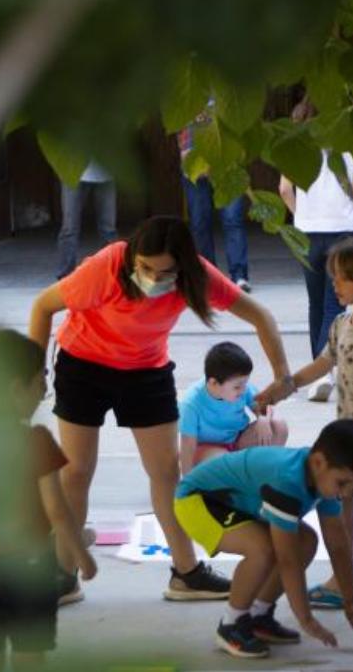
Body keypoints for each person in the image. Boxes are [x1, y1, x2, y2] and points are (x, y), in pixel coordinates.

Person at [27, 215, 293, 603]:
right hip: (83, 364)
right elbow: (42, 306)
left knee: (167, 472)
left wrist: (283, 374)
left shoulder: (196, 277)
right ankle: (62, 575)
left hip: (145, 371)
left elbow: (260, 315)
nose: (152, 277)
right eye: (145, 268)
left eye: (164, 271)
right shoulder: (108, 266)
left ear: (182, 267)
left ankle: (186, 573)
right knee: (76, 472)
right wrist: (36, 371)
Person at [260, 232, 353, 627]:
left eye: (344, 277)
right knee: (342, 507)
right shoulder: (343, 324)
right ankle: (337, 580)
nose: (336, 284)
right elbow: (323, 363)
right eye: (335, 277)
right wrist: (287, 384)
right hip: (345, 434)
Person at [0, 330, 98, 668]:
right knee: (29, 654)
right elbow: (56, 509)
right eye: (40, 380)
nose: (44, 390)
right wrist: (82, 556)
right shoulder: (36, 441)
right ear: (15, 388)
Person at [174, 419, 353, 659]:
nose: (347, 492)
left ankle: (259, 615)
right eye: (343, 483)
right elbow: (287, 559)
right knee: (262, 550)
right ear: (319, 462)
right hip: (197, 500)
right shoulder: (287, 480)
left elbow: (338, 544)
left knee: (306, 541)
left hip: (236, 503)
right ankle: (231, 625)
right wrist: (306, 619)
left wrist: (351, 600)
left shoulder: (321, 475)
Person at [278, 98, 353, 403]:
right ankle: (325, 372)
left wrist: (300, 215)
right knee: (335, 305)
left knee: (316, 303)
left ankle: (318, 372)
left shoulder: (295, 151)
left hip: (307, 233)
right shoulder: (346, 146)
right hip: (343, 231)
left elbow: (284, 190)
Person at [178, 341, 289, 475]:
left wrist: (263, 418)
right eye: (237, 387)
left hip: (238, 440)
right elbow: (187, 445)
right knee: (224, 462)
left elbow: (262, 406)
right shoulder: (191, 404)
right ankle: (242, 472)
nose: (243, 390)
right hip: (207, 449)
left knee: (278, 426)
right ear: (213, 383)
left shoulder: (242, 388)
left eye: (245, 384)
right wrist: (186, 481)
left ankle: (263, 473)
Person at [180, 106, 251, 292]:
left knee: (233, 220)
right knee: (199, 222)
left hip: (228, 169)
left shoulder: (226, 90)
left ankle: (239, 275)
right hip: (197, 169)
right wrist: (187, 156)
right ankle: (208, 276)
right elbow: (182, 131)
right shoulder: (189, 95)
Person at [56, 161, 118, 279]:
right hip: (72, 173)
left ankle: (111, 275)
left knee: (109, 230)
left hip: (107, 173)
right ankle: (65, 277)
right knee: (69, 229)